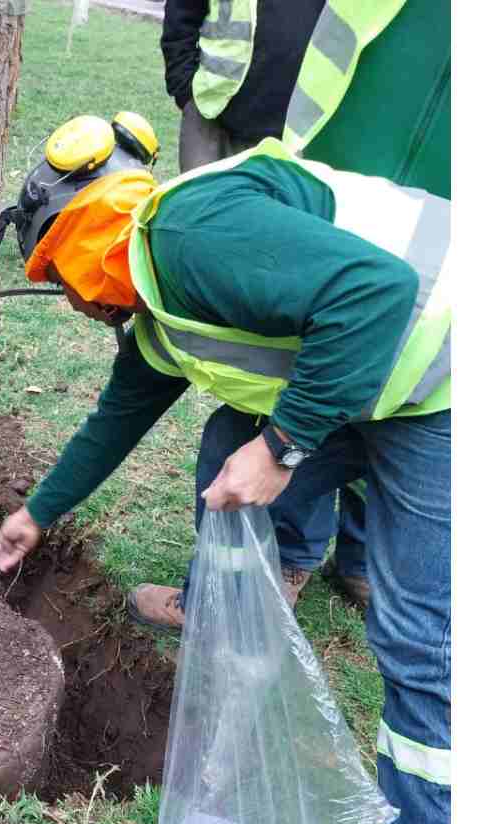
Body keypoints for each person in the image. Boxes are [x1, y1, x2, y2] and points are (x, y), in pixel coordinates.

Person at [0, 128, 451, 824]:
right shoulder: (159, 302)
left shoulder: (190, 238)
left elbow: (379, 291)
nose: (73, 302)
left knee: (421, 644)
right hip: (369, 373)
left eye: (59, 277)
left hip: (443, 375)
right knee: (223, 440)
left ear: (81, 244)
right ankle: (234, 604)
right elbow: (117, 417)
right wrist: (35, 515)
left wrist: (283, 447)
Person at [158, 0, 370, 616]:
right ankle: (285, 562)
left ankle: (313, 558)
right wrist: (187, 85)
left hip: (331, 146)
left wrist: (283, 445)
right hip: (238, 122)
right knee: (269, 404)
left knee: (335, 398)